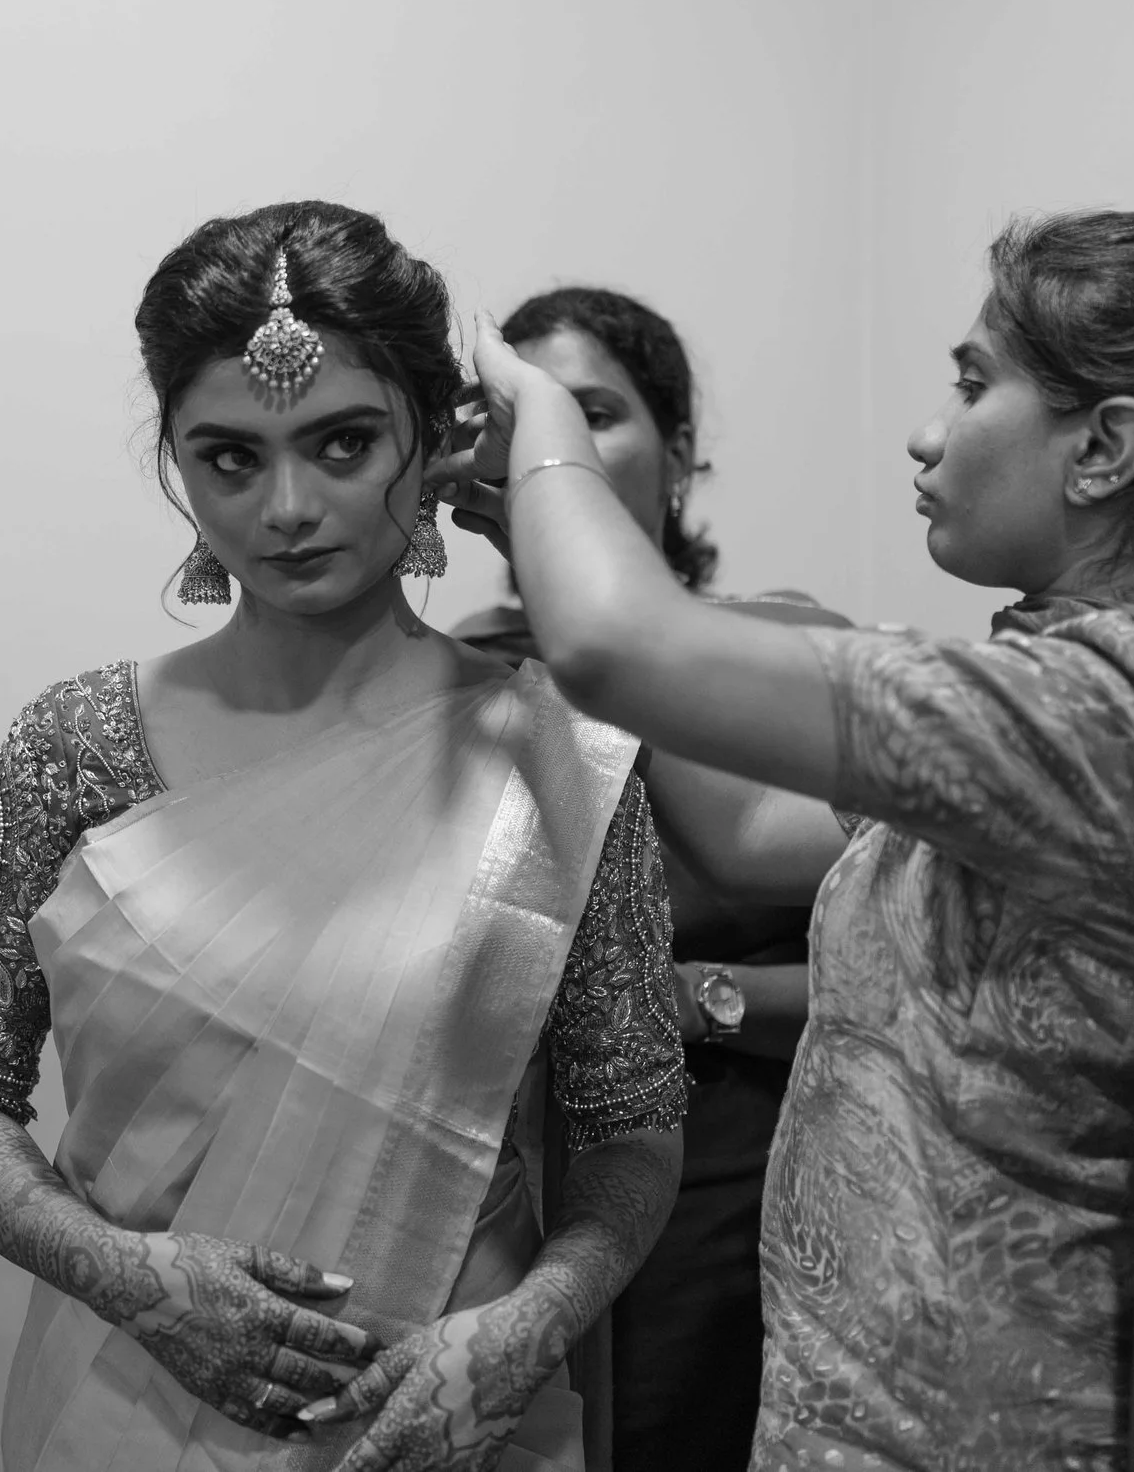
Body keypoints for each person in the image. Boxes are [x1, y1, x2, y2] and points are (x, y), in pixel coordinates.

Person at [438, 210, 1134, 1471]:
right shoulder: (1069, 695)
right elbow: (749, 827)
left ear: (1106, 447)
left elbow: (615, 642)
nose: (926, 432)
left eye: (972, 385)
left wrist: (544, 417)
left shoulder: (1098, 715)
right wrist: (527, 530)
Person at [0, 199, 688, 1472]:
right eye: (229, 457)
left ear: (431, 437)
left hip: (444, 1421)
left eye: (342, 444)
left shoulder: (548, 753)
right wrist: (128, 1275)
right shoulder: (75, 748)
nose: (285, 506)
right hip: (122, 1404)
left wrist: (525, 1327)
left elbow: (630, 1125)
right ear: (174, 459)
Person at [448, 286, 846, 1472]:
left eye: (593, 414)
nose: (553, 446)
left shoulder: (788, 647)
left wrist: (696, 996)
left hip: (748, 1169)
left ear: (678, 453)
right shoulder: (449, 678)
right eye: (525, 417)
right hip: (507, 1186)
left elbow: (917, 960)